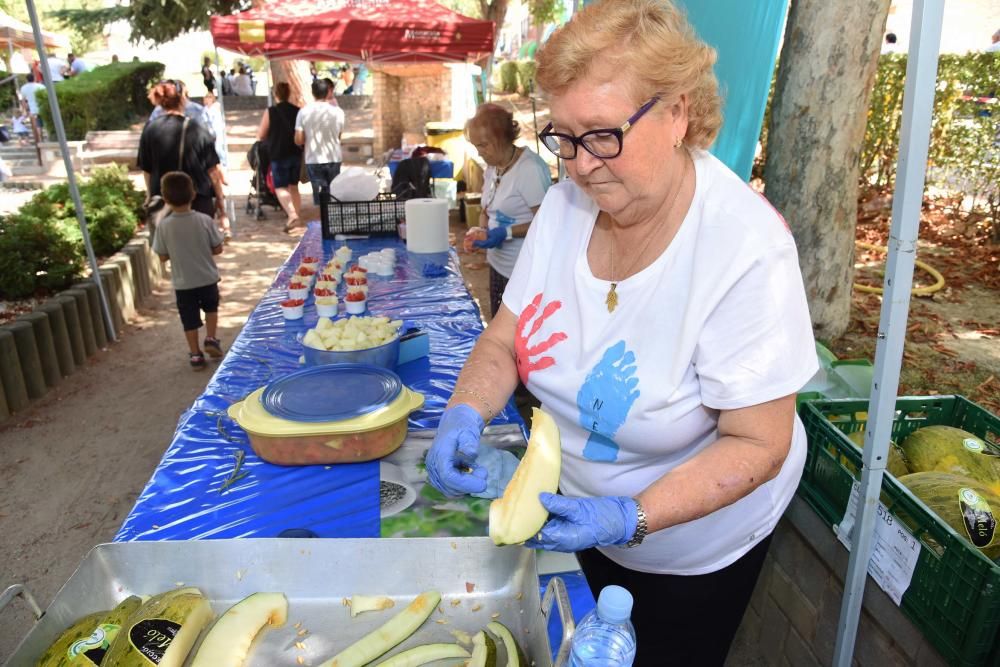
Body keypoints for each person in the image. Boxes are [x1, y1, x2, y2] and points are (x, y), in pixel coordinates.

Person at [424, 2, 817, 665]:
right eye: (564, 136)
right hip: (584, 520)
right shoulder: (565, 205)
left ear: (676, 114)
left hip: (694, 550)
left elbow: (759, 442)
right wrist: (464, 409)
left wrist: (630, 515)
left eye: (603, 135)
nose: (579, 165)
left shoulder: (744, 251)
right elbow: (502, 342)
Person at [463, 103, 551, 318]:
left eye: (483, 145)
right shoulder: (493, 167)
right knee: (498, 323)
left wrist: (506, 232)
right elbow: (487, 208)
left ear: (502, 138)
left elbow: (547, 222)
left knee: (517, 334)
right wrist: (481, 231)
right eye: (476, 146)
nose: (479, 152)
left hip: (522, 271)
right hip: (498, 266)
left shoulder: (530, 169)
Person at [152, 171, 225, 370]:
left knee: (189, 319)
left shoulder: (164, 226)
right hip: (207, 277)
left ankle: (195, 354)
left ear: (165, 198)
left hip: (183, 282)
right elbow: (218, 248)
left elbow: (162, 255)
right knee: (211, 308)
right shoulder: (204, 220)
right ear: (193, 194)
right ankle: (211, 338)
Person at [138, 81, 227, 225]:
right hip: (197, 200)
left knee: (166, 245)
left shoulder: (150, 130)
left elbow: (147, 169)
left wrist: (149, 195)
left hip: (162, 200)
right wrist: (220, 200)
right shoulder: (197, 129)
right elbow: (212, 169)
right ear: (182, 100)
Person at [258, 81, 303, 231]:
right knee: (294, 186)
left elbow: (261, 134)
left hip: (278, 153)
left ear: (275, 94)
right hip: (295, 152)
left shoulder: (271, 111)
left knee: (280, 187)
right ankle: (295, 215)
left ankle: (292, 215)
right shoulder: (297, 111)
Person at [295, 78, 345, 205]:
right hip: (334, 157)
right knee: (334, 194)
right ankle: (334, 221)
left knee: (319, 198)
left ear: (313, 93)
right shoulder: (338, 112)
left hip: (313, 159)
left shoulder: (304, 112)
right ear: (327, 91)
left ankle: (322, 221)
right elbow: (339, 135)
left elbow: (299, 139)